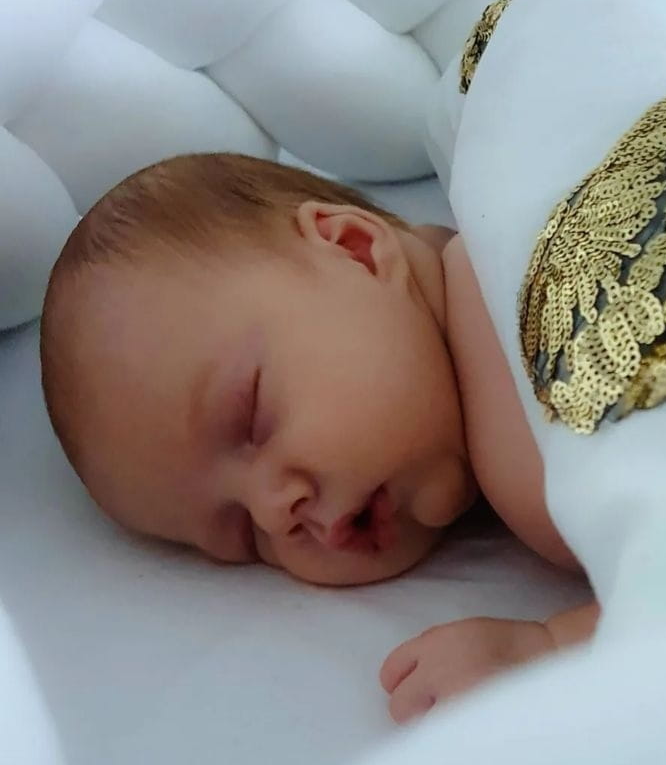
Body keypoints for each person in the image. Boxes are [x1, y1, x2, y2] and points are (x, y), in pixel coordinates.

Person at [39, 152, 600, 722]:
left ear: (354, 249)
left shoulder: (527, 440)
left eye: (251, 418)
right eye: (245, 534)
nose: (275, 510)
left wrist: (556, 651)